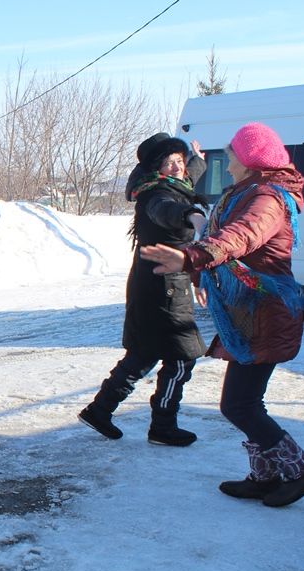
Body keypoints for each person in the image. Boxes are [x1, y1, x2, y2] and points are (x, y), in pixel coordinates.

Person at [141, 122, 304, 507]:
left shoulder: (267, 199)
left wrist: (191, 256)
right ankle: (265, 476)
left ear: (249, 159)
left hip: (265, 313)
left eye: (231, 159)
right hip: (248, 314)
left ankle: (302, 472)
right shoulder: (249, 191)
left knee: (238, 404)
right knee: (246, 402)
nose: (227, 168)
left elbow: (239, 237)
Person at [79, 133, 209, 446]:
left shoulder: (168, 185)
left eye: (180, 161)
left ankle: (100, 410)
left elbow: (188, 175)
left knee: (143, 354)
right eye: (171, 162)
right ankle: (163, 425)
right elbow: (167, 210)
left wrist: (197, 160)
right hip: (163, 288)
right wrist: (192, 216)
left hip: (156, 285)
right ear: (157, 167)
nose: (179, 168)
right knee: (181, 358)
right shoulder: (158, 195)